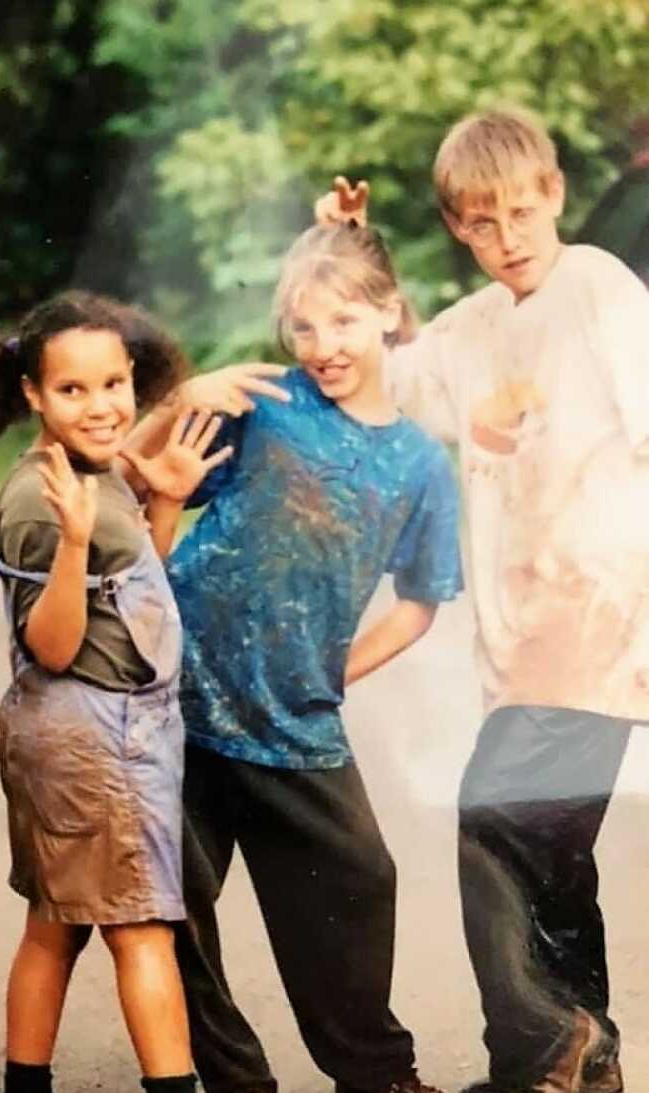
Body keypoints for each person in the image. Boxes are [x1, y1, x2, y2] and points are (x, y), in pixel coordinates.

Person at [316, 108, 649, 1093]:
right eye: (481, 222)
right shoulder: (474, 328)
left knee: (494, 821)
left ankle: (542, 1051)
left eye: (521, 212)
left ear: (553, 193)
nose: (507, 237)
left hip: (599, 617)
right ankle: (588, 1064)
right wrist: (347, 247)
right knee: (550, 856)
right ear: (458, 227)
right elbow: (396, 369)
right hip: (525, 643)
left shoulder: (597, 289)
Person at [145, 222, 462, 1093]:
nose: (324, 347)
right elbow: (148, 480)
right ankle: (233, 1077)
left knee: (361, 874)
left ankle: (376, 1072)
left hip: (295, 716)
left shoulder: (420, 466)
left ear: (391, 315)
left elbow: (421, 605)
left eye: (345, 323)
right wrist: (180, 401)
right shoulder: (267, 403)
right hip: (183, 691)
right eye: (305, 327)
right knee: (169, 899)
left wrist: (338, 670)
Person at [0, 289, 257, 1093]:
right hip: (93, 731)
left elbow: (132, 587)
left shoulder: (92, 470)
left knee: (56, 924)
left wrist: (159, 499)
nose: (101, 406)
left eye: (114, 384)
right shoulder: (42, 500)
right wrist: (77, 537)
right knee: (143, 929)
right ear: (32, 394)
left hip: (106, 725)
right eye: (72, 390)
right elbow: (51, 645)